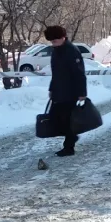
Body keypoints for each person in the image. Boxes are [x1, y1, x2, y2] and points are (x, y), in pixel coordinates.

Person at [44, 25, 87, 157]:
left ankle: (69, 147)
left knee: (67, 120)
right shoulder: (57, 51)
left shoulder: (71, 51)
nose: (53, 44)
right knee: (58, 118)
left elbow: (80, 73)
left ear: (62, 38)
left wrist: (82, 92)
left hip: (70, 91)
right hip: (59, 90)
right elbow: (56, 73)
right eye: (51, 42)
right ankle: (71, 138)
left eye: (55, 41)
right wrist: (52, 88)